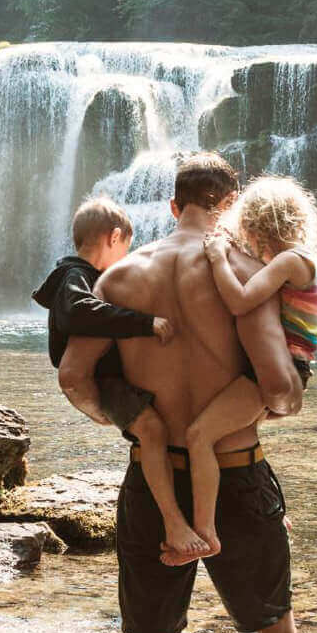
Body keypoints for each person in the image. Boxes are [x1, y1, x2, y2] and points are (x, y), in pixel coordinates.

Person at [57, 152, 313, 633]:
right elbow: (279, 390)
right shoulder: (249, 273)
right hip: (239, 473)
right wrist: (277, 399)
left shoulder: (118, 281)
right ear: (231, 207)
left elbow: (73, 379)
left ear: (172, 207)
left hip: (154, 483)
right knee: (275, 624)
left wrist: (134, 420)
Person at [32, 197, 206, 561]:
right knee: (153, 431)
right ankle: (174, 522)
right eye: (126, 246)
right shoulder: (74, 277)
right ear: (114, 237)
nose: (127, 258)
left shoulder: (78, 275)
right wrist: (144, 322)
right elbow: (78, 312)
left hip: (112, 378)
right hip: (107, 380)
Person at [182, 176, 317, 561]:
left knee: (200, 436)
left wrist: (217, 257)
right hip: (289, 369)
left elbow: (241, 299)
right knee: (243, 439)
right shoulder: (309, 261)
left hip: (277, 371)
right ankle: (273, 516)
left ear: (258, 223)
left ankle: (205, 533)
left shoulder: (288, 261)